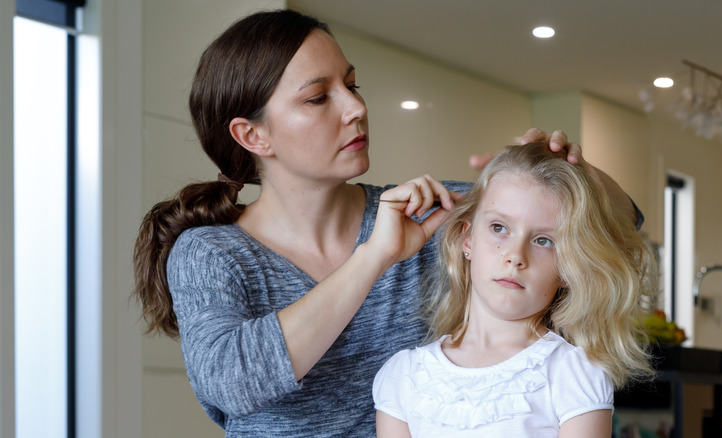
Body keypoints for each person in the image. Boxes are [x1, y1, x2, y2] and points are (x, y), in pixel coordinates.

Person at [132, 8, 642, 438]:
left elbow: (620, 221)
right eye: (318, 97)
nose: (355, 108)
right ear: (252, 135)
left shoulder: (437, 214)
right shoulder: (211, 253)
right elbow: (232, 383)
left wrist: (570, 168)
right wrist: (374, 255)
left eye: (353, 85)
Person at [372, 142, 657, 438]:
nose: (516, 256)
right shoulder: (402, 376)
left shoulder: (573, 374)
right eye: (499, 228)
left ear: (567, 269)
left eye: (544, 241)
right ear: (466, 239)